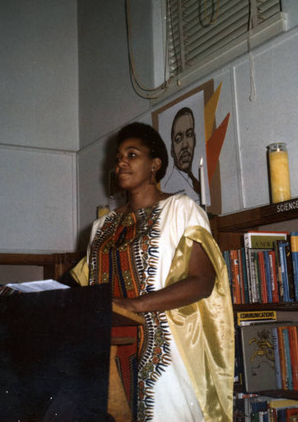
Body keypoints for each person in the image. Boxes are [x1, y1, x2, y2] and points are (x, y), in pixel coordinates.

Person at [70, 122, 234, 422]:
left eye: (132, 154)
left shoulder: (182, 209)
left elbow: (202, 282)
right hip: (105, 351)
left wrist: (133, 305)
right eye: (118, 156)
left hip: (166, 353)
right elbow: (87, 287)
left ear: (155, 164)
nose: (121, 162)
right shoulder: (100, 228)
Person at [162, 107, 201, 203]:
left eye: (189, 134)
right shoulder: (167, 188)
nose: (185, 145)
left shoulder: (197, 181)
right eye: (178, 139)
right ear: (172, 150)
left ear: (194, 140)